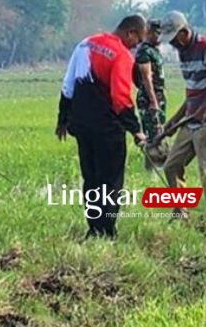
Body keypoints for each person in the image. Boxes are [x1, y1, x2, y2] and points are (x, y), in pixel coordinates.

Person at [56, 15, 148, 239]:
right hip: (107, 129)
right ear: (130, 33)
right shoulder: (121, 56)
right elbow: (121, 98)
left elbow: (68, 85)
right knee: (110, 181)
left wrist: (62, 119)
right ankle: (106, 231)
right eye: (138, 39)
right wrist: (136, 129)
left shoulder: (85, 43)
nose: (137, 45)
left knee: (91, 179)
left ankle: (93, 228)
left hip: (82, 126)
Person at [159, 11, 206, 239]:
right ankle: (180, 213)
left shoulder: (205, 47)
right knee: (171, 166)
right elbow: (193, 91)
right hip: (191, 120)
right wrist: (174, 120)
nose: (172, 44)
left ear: (184, 32)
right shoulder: (183, 53)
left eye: (174, 39)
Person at [133, 19, 168, 169]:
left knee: (159, 130)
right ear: (150, 33)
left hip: (158, 96)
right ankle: (154, 169)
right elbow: (146, 78)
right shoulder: (144, 51)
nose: (161, 38)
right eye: (159, 34)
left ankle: (158, 166)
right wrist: (153, 101)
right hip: (149, 98)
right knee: (153, 134)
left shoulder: (155, 50)